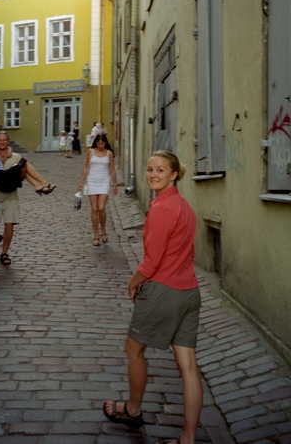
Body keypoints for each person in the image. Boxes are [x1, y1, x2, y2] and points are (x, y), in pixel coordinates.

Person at [103, 150, 202, 444]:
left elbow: (151, 262)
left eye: (160, 170)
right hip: (189, 292)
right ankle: (188, 438)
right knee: (188, 366)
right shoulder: (184, 207)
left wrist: (133, 283)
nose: (152, 174)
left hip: (162, 291)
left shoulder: (161, 210)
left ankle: (132, 410)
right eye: (149, 169)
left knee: (133, 349)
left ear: (174, 174)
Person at [0, 131, 56, 265]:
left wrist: (27, 179)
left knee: (9, 223)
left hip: (11, 195)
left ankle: (4, 253)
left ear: (8, 141)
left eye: (4, 140)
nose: (2, 142)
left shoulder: (16, 157)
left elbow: (23, 174)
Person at [77, 133, 117, 246]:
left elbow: (112, 170)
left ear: (105, 143)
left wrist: (115, 184)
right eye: (98, 143)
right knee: (94, 209)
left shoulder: (109, 153)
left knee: (101, 208)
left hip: (104, 181)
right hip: (92, 181)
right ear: (96, 143)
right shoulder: (91, 152)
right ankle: (96, 235)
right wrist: (81, 182)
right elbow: (86, 167)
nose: (100, 145)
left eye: (102, 143)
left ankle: (103, 231)